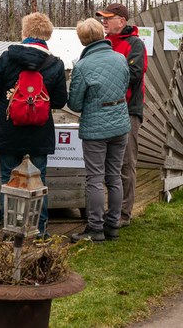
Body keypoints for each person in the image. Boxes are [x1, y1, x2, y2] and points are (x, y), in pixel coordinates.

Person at [0, 12, 68, 237]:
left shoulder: (7, 57)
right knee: (38, 181)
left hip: (8, 130)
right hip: (39, 133)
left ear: (24, 33)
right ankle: (39, 229)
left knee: (7, 179)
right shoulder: (55, 64)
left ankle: (10, 229)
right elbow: (60, 101)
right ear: (47, 36)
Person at [67, 18, 130, 243]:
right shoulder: (120, 58)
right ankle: (113, 224)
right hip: (120, 124)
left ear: (83, 39)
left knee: (94, 178)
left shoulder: (83, 66)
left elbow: (74, 104)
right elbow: (124, 86)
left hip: (95, 128)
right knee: (114, 176)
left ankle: (95, 228)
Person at [95, 2, 147, 227]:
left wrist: (104, 78)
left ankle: (123, 214)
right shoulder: (104, 43)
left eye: (108, 18)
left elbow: (134, 73)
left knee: (126, 163)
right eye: (102, 18)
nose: (104, 22)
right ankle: (108, 209)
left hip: (127, 111)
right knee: (104, 163)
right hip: (104, 110)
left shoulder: (135, 44)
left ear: (122, 21)